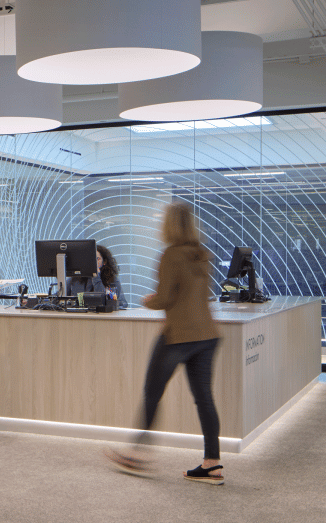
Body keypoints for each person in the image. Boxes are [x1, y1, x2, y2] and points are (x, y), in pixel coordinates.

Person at [105, 202, 224, 485]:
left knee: (152, 393)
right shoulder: (201, 254)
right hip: (207, 334)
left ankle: (136, 455)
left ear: (169, 224)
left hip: (178, 336)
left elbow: (166, 297)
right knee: (204, 398)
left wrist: (150, 300)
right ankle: (212, 463)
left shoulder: (170, 255)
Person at [66, 244, 128, 309]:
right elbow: (58, 299)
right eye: (90, 259)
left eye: (97, 259)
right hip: (80, 317)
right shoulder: (75, 279)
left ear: (104, 262)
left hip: (103, 317)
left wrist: (96, 277)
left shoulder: (111, 279)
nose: (93, 263)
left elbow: (121, 303)